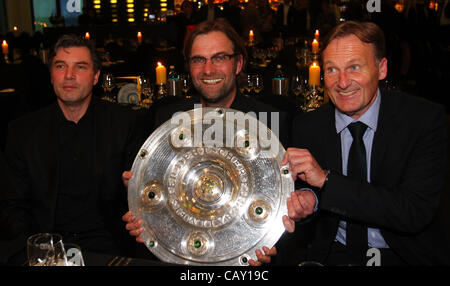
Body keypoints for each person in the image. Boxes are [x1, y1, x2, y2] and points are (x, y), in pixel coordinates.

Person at [122, 19, 292, 266]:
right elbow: (151, 193)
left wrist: (271, 243)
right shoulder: (168, 118)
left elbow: (282, 204)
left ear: (238, 64)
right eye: (198, 59)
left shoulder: (266, 121)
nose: (208, 70)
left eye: (219, 58)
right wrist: (138, 199)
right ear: (189, 67)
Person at [281, 21, 450, 265]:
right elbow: (308, 203)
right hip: (333, 254)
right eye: (331, 70)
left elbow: (412, 212)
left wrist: (326, 181)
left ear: (381, 69)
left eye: (354, 67)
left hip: (403, 255)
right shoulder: (308, 126)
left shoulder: (422, 121)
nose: (342, 82)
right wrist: (309, 201)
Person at [0, 34, 143, 260]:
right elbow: (13, 206)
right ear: (51, 75)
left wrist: (133, 188)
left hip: (109, 247)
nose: (69, 76)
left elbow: (140, 193)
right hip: (45, 247)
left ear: (96, 76)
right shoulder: (22, 132)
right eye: (60, 66)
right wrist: (36, 252)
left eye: (80, 67)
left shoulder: (125, 124)